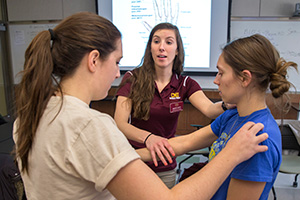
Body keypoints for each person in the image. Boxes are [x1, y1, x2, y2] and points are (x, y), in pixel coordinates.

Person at [13, 12, 268, 200]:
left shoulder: (32, 113)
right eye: (116, 61)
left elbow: (186, 139)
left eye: (169, 42)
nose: (116, 73)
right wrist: (231, 154)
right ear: (93, 60)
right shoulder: (90, 125)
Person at [138, 34, 298, 199]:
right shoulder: (233, 115)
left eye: (221, 73)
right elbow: (185, 142)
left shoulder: (257, 138)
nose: (216, 80)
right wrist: (127, 157)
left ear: (245, 78)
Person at [114, 22, 231, 188]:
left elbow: (210, 110)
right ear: (150, 48)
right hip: (135, 161)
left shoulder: (185, 83)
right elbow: (119, 123)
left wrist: (229, 104)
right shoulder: (133, 78)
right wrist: (149, 138)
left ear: (177, 50)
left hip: (165, 164)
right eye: (156, 41)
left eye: (168, 42)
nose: (162, 47)